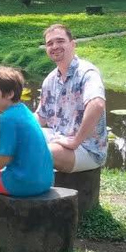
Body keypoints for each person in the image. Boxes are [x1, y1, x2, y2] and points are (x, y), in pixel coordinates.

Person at [0, 67, 53, 252]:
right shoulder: (23, 111)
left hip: (25, 181)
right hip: (44, 179)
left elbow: (5, 157)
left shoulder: (8, 119)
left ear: (9, 93)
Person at [36, 24, 107, 173]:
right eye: (50, 43)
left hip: (87, 149)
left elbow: (97, 104)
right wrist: (13, 124)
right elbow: (41, 117)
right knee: (12, 136)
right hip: (59, 138)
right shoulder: (50, 80)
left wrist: (75, 141)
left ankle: (26, 188)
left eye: (60, 41)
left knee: (40, 152)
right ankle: (10, 183)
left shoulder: (87, 72)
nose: (54, 46)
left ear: (72, 44)